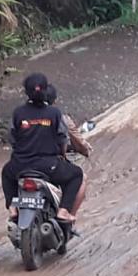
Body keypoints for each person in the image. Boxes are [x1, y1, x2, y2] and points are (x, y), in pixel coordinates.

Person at [2, 73, 84, 224]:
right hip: (48, 166)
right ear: (46, 91)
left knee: (6, 173)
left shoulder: (18, 113)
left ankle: (13, 208)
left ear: (26, 92)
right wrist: (62, 155)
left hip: (20, 165)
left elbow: (12, 138)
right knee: (77, 174)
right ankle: (64, 211)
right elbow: (62, 139)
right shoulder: (54, 113)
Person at [44, 84, 90, 219]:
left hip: (23, 164)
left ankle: (13, 210)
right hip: (49, 164)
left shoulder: (24, 116)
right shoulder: (60, 118)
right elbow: (67, 142)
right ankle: (67, 215)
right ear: (54, 101)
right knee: (79, 176)